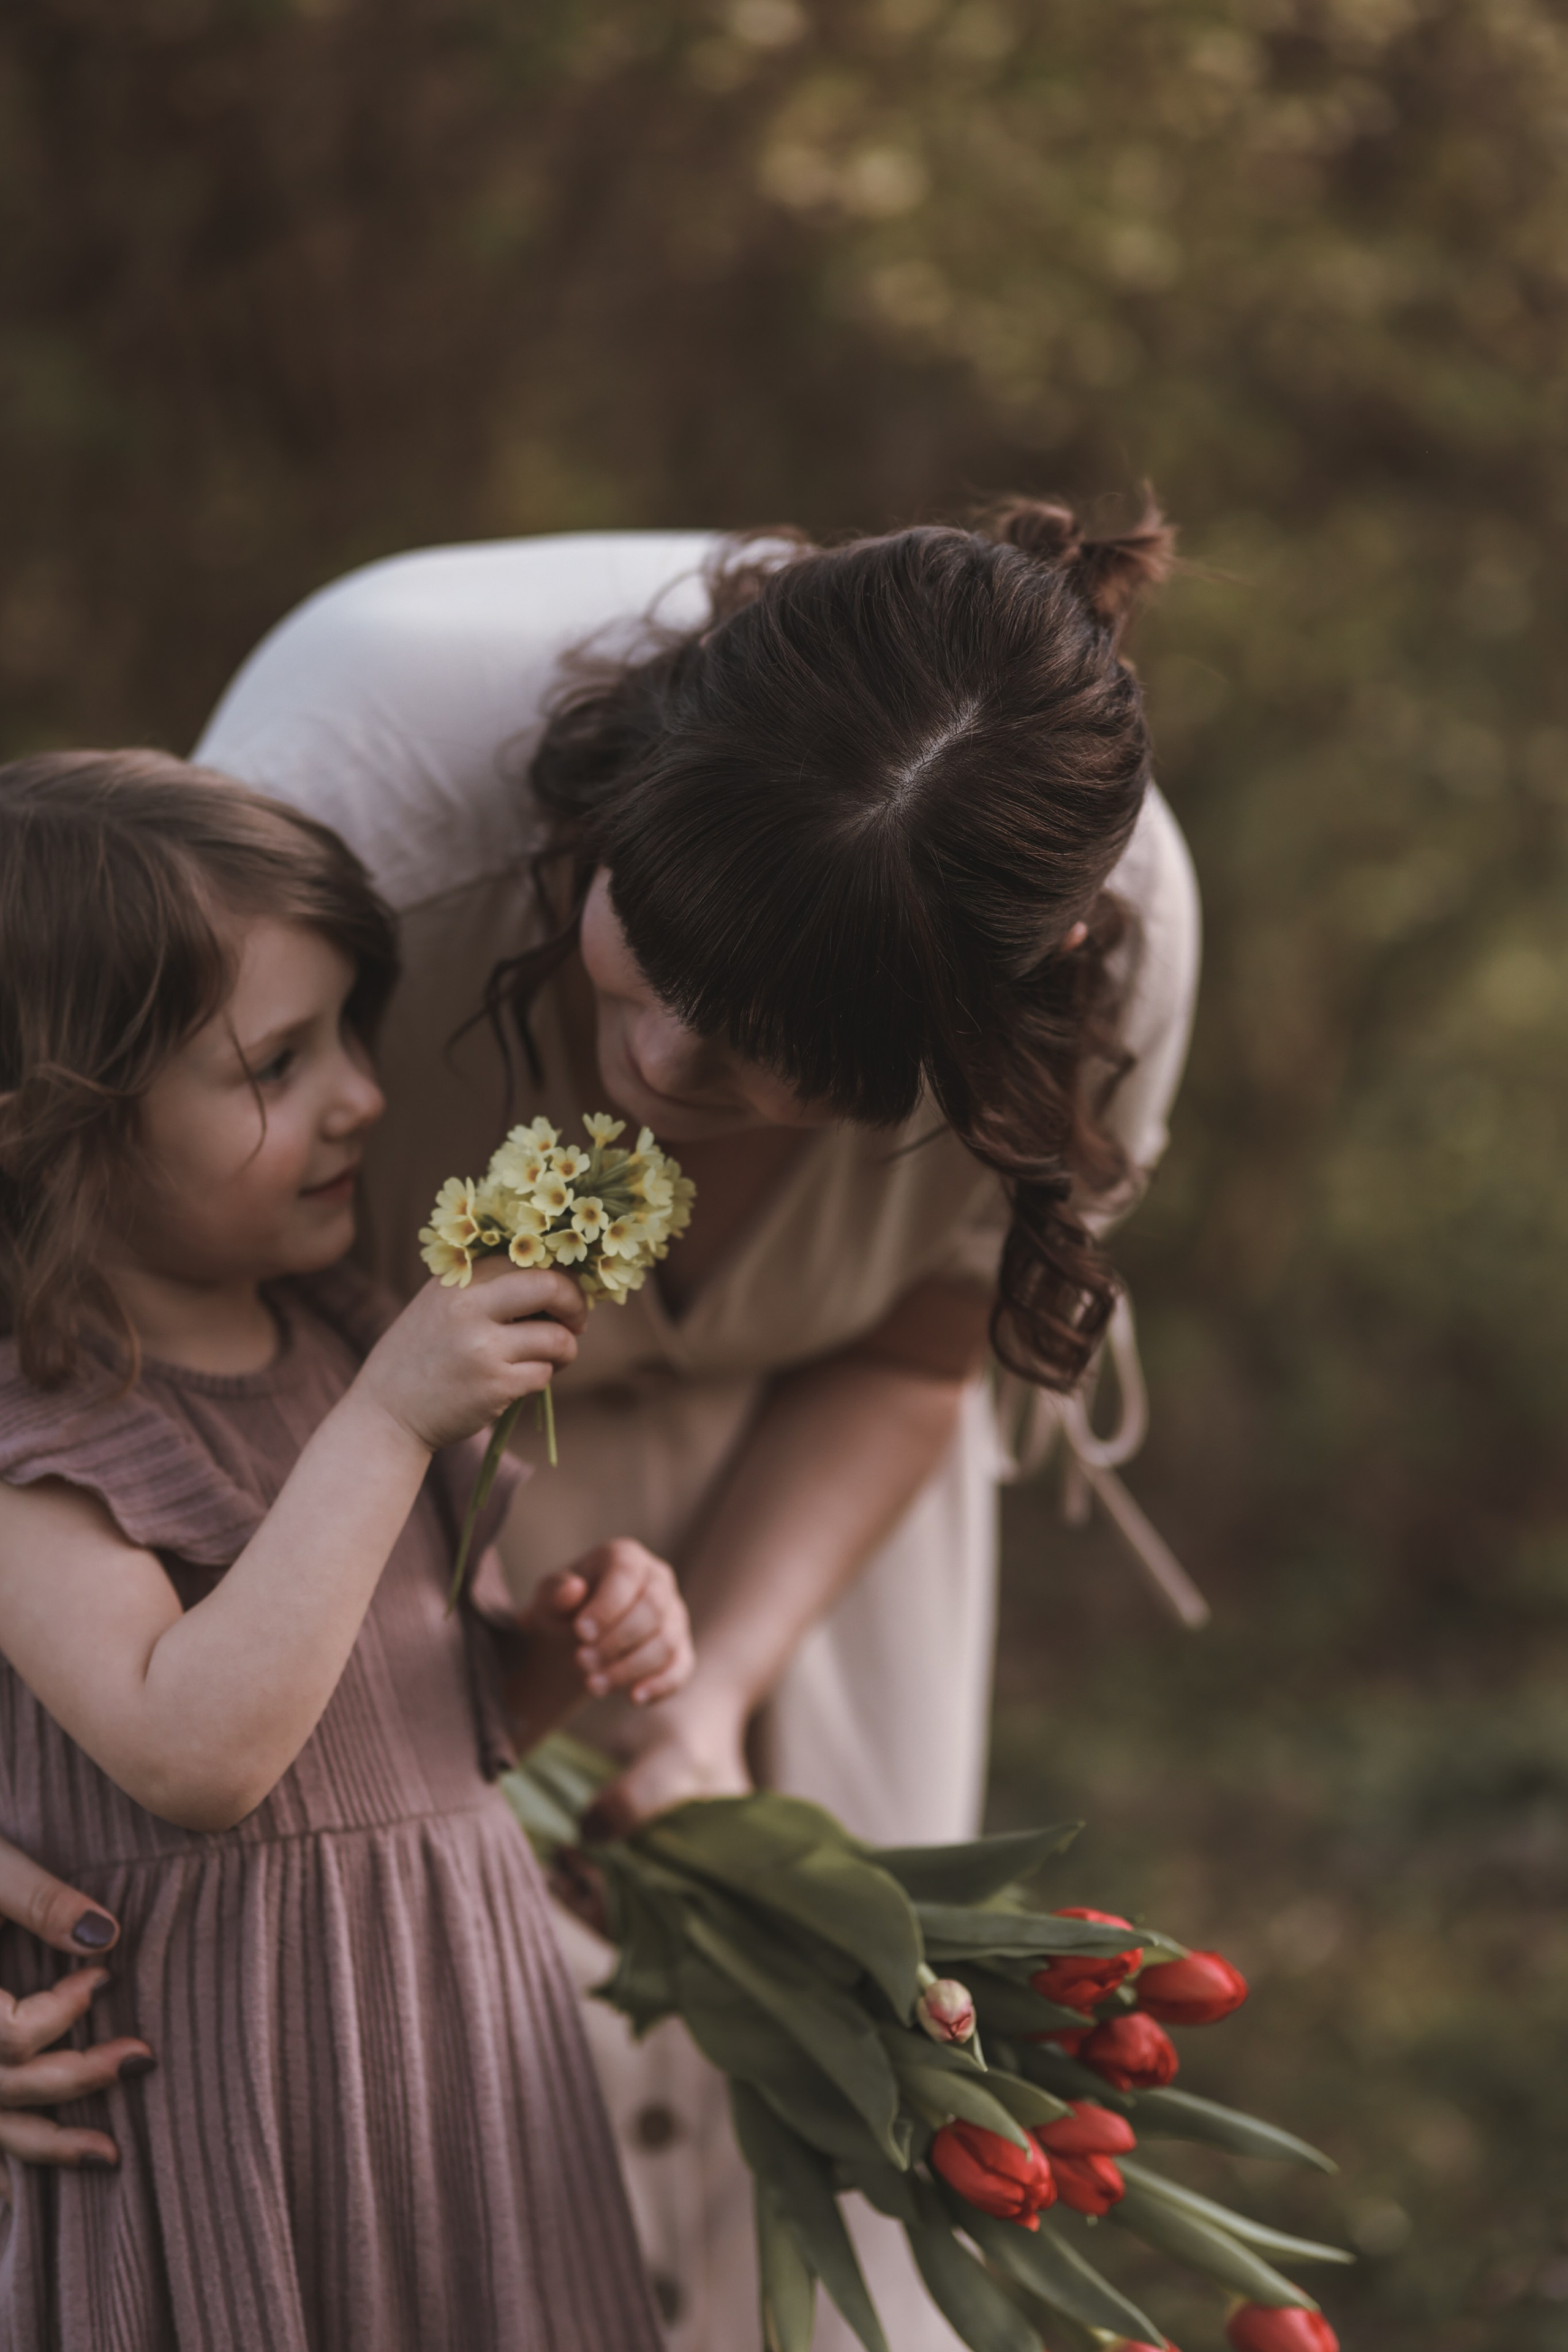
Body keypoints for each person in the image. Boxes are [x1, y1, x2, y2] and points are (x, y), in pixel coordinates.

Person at [0, 505, 1201, 2351]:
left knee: (807, 2144)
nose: (653, 1071)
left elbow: (901, 1349)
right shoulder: (353, 807)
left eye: (752, 1057)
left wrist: (693, 1691)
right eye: (643, 959)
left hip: (757, 1512)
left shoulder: (1103, 946)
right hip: (319, 1508)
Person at [0, 750, 693, 2350]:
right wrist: (387, 1427)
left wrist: (558, 1657)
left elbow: (415, 1734)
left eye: (349, 1035)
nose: (363, 1097)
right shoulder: (40, 1426)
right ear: (64, 1126)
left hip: (449, 2072)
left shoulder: (336, 1332)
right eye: (276, 1063)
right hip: (212, 2124)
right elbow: (197, 1750)